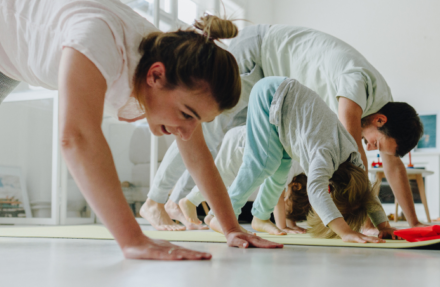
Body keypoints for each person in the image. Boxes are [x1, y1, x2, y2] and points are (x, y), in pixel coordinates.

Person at [0, 0, 281, 258]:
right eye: (188, 115)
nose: (188, 130)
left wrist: (232, 228)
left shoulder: (165, 60)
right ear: (156, 76)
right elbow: (77, 137)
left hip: (9, 16)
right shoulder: (97, 38)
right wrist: (134, 240)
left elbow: (197, 150)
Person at [142, 24, 425, 231]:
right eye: (376, 143)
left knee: (245, 153)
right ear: (380, 121)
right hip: (260, 59)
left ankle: (182, 203)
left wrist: (413, 224)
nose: (371, 149)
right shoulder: (359, 83)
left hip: (277, 97)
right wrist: (363, 223)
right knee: (202, 127)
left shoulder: (383, 104)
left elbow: (392, 164)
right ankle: (157, 201)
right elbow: (356, 162)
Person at [203, 77, 399, 242]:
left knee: (281, 173)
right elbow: (316, 192)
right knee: (263, 163)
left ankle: (260, 217)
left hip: (286, 118)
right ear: (330, 189)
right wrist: (345, 232)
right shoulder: (326, 155)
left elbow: (367, 195)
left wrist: (384, 225)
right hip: (272, 95)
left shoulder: (353, 158)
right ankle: (220, 215)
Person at [179, 125, 311, 235]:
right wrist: (282, 226)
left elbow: (282, 197)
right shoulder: (291, 167)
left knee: (226, 183)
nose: (284, 203)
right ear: (296, 186)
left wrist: (291, 223)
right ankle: (190, 201)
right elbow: (277, 197)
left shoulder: (299, 169)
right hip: (240, 143)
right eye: (287, 200)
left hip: (246, 143)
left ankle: (213, 216)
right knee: (220, 178)